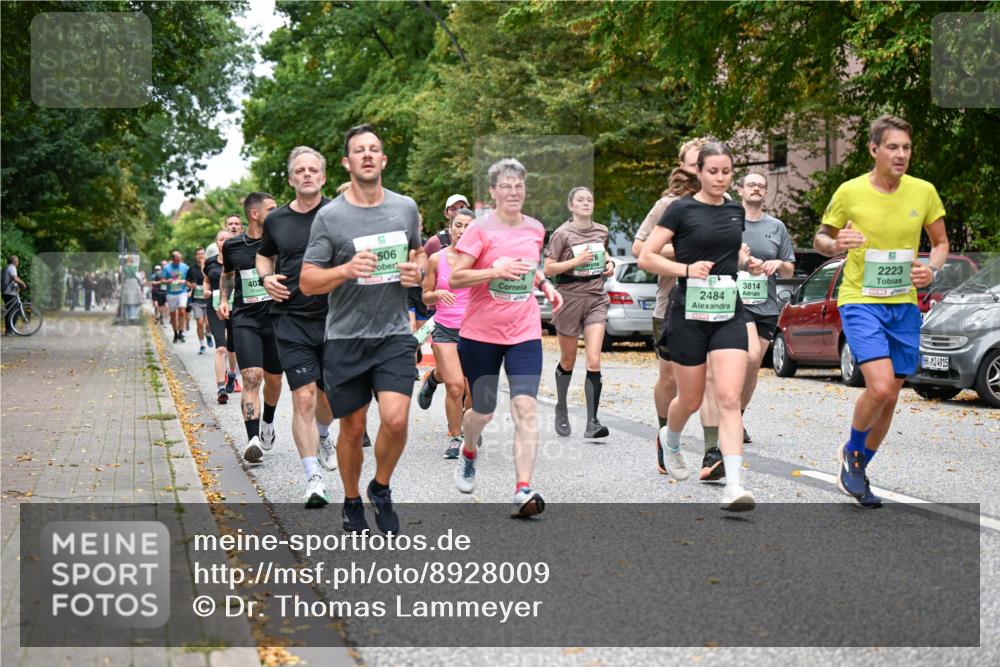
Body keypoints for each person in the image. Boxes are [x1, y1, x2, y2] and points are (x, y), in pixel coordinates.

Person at [813, 114, 948, 509]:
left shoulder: (923, 191)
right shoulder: (850, 192)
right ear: (874, 150)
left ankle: (856, 465)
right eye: (893, 147)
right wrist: (837, 243)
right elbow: (820, 238)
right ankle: (853, 452)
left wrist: (932, 268)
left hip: (903, 303)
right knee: (881, 386)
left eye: (906, 147)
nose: (901, 154)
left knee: (891, 398)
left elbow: (940, 242)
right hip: (860, 298)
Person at [301, 123, 425, 534]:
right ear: (347, 162)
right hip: (345, 337)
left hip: (392, 333)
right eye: (359, 150)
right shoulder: (330, 217)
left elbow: (419, 252)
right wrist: (345, 270)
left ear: (384, 159)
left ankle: (381, 487)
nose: (368, 155)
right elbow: (307, 281)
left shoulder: (404, 207)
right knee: (352, 427)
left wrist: (417, 271)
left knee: (395, 420)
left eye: (374, 149)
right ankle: (351, 498)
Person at [638, 141, 757, 512]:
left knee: (727, 397)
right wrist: (685, 270)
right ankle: (670, 439)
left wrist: (746, 264)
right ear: (699, 172)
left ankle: (735, 485)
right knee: (688, 399)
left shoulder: (736, 212)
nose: (720, 178)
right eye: (713, 171)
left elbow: (728, 254)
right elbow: (645, 256)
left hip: (728, 311)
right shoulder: (679, 209)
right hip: (688, 312)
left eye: (726, 172)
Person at [448, 157, 564, 518]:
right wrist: (493, 271)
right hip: (481, 334)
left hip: (524, 332)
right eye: (506, 186)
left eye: (519, 186)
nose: (514, 192)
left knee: (525, 408)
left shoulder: (535, 228)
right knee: (482, 411)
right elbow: (455, 279)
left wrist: (546, 285)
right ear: (493, 191)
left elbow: (532, 267)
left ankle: (523, 487)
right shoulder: (478, 230)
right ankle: (469, 451)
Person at [632, 137, 729, 479]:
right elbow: (639, 249)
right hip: (671, 303)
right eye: (697, 162)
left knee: (713, 380)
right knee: (671, 378)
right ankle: (665, 435)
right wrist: (685, 251)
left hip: (713, 303)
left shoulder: (725, 202)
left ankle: (711, 452)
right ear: (687, 166)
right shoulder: (667, 205)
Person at [257, 146, 337, 508]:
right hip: (290, 316)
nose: (307, 175)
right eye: (300, 170)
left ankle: (324, 434)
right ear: (291, 179)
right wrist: (266, 277)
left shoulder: (339, 213)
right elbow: (264, 254)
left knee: (328, 397)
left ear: (323, 176)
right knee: (303, 396)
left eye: (313, 170)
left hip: (336, 317)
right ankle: (313, 480)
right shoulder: (276, 220)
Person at [544, 186, 615, 439]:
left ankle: (592, 422)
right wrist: (575, 262)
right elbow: (549, 268)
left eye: (589, 200)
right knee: (568, 360)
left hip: (596, 296)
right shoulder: (562, 234)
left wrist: (609, 264)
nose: (586, 203)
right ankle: (561, 408)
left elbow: (604, 254)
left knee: (594, 359)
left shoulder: (602, 231)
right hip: (570, 298)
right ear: (571, 206)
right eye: (580, 200)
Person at [219, 192, 282, 464]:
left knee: (275, 379)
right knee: (252, 377)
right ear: (254, 213)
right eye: (272, 209)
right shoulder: (233, 246)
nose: (277, 213)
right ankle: (252, 439)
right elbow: (227, 276)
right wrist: (223, 299)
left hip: (277, 319)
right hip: (246, 319)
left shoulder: (282, 242)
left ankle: (268, 420)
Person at [736, 173, 795, 442]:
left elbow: (789, 267)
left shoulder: (777, 227)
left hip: (767, 304)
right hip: (737, 301)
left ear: (765, 192)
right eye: (752, 185)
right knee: (749, 357)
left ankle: (737, 416)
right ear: (741, 190)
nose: (757, 188)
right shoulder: (730, 222)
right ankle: (728, 418)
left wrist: (777, 265)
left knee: (755, 364)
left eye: (761, 185)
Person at [417, 207, 474, 458]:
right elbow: (425, 294)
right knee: (455, 386)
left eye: (468, 227)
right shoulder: (436, 259)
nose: (462, 231)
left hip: (476, 332)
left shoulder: (483, 260)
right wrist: (436, 294)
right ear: (450, 228)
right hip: (445, 329)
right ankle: (454, 436)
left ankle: (433, 379)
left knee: (473, 389)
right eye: (458, 225)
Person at [204, 231, 234, 403]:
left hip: (234, 306)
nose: (224, 242)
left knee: (233, 348)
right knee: (221, 347)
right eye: (221, 239)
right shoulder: (210, 262)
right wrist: (206, 290)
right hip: (214, 307)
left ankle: (231, 375)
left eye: (228, 239)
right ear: (216, 243)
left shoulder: (239, 261)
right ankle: (221, 388)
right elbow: (206, 280)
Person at [162, 251, 190, 343]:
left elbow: (189, 278)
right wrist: (167, 281)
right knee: (173, 314)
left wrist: (184, 281)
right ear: (173, 259)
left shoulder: (184, 266)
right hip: (171, 294)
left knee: (182, 311)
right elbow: (162, 280)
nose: (179, 261)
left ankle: (181, 333)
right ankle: (175, 333)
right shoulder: (167, 268)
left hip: (182, 292)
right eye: (177, 260)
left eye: (180, 259)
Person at [187, 248, 210, 353]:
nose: (200, 255)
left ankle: (208, 334)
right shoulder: (191, 269)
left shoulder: (210, 266)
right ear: (196, 256)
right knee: (200, 323)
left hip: (208, 299)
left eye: (202, 253)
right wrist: (192, 285)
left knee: (209, 324)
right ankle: (202, 345)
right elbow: (186, 282)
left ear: (205, 255)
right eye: (198, 254)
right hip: (197, 299)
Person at [3, 255, 27, 335]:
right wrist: (22, 283)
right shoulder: (12, 268)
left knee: (10, 311)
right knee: (15, 312)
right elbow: (14, 278)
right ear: (15, 261)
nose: (18, 263)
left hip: (6, 292)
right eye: (17, 261)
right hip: (10, 293)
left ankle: (9, 330)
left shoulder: (6, 267)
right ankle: (10, 330)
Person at [120, 256, 143, 322]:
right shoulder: (135, 267)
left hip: (127, 283)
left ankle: (127, 315)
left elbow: (122, 276)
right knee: (135, 300)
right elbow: (138, 276)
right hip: (134, 283)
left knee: (126, 300)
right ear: (132, 261)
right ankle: (133, 316)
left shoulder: (123, 267)